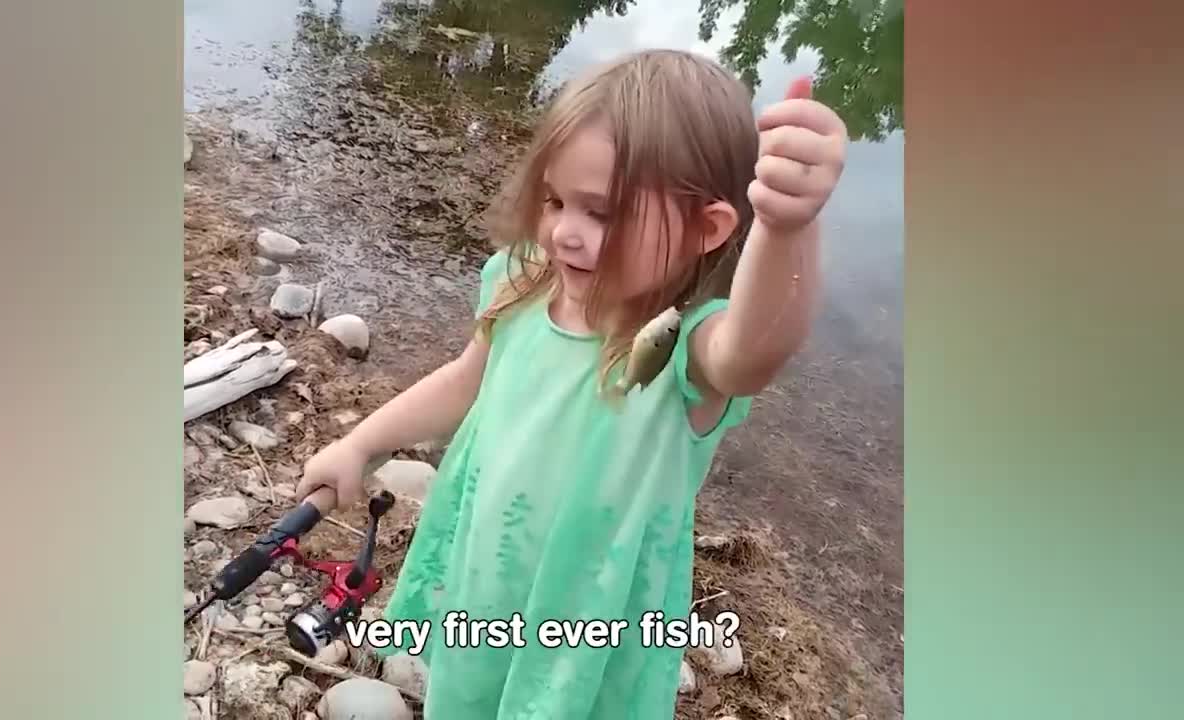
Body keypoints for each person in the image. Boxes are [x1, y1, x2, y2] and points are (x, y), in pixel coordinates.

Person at [296, 48, 847, 719]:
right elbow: (465, 382)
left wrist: (789, 227)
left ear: (708, 228)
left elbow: (756, 352)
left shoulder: (685, 350)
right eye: (556, 200)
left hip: (589, 630)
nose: (565, 232)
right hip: (484, 585)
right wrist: (362, 444)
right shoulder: (523, 283)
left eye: (603, 213)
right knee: (462, 700)